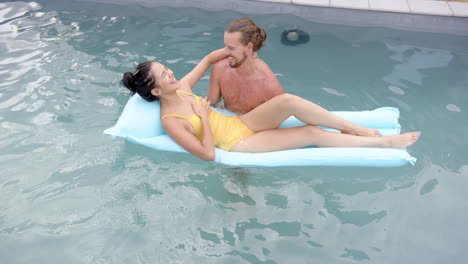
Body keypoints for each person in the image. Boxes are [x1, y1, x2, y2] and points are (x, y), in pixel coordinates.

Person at [121, 49, 419, 161]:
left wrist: (235, 49)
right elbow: (208, 154)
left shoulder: (182, 88)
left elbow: (208, 61)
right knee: (311, 133)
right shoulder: (171, 121)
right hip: (236, 142)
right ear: (156, 90)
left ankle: (356, 129)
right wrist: (202, 115)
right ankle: (385, 144)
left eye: (167, 68)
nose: (171, 73)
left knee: (287, 101)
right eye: (164, 74)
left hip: (240, 123)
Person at [207, 18, 284, 114]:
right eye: (225, 46)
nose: (225, 52)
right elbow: (210, 104)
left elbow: (279, 120)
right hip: (227, 121)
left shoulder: (269, 85)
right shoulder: (220, 68)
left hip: (253, 126)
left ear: (249, 47)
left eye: (231, 48)